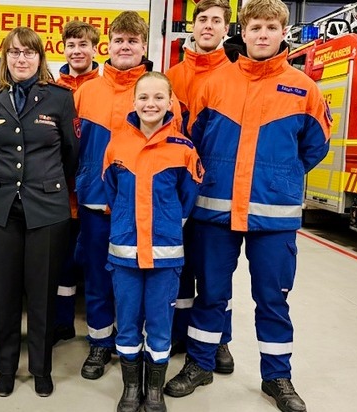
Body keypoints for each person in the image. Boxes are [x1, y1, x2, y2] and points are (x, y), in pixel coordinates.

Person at [163, 1, 332, 411]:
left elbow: (315, 147)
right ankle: (201, 364)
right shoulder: (214, 83)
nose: (262, 35)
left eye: (271, 27)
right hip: (216, 211)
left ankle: (277, 377)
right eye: (255, 27)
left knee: (273, 299)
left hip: (273, 217)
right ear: (243, 31)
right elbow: (192, 140)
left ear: (283, 33)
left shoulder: (304, 89)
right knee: (211, 294)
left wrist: (279, 177)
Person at [74, 10, 180, 380]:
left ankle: (136, 345)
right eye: (118, 40)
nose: (125, 46)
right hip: (95, 203)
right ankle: (100, 343)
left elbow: (177, 153)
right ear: (108, 45)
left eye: (132, 41)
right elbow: (72, 147)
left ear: (143, 46)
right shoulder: (86, 92)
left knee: (143, 285)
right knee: (98, 280)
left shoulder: (160, 94)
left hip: (146, 211)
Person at [0, 27, 79, 397]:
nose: (22, 59)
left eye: (29, 52)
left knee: (42, 292)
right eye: (15, 52)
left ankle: (40, 367)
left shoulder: (60, 98)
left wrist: (46, 183)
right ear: (5, 57)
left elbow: (71, 153)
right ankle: (5, 367)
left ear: (40, 57)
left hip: (46, 209)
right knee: (3, 291)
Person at [103, 72, 202, 412]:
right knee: (128, 324)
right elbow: (111, 192)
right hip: (125, 255)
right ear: (133, 102)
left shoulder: (184, 149)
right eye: (144, 97)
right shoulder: (116, 146)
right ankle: (132, 389)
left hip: (165, 256)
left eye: (159, 97)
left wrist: (168, 225)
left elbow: (188, 197)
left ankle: (154, 391)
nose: (151, 104)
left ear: (170, 102)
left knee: (160, 326)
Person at [164, 0, 235, 373]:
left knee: (214, 273)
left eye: (216, 20)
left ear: (226, 29)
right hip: (175, 188)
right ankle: (180, 332)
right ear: (192, 26)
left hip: (216, 190)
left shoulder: (237, 77)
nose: (208, 25)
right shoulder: (170, 77)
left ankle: (219, 339)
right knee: (179, 267)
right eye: (202, 19)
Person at [52, 20, 101, 345]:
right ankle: (62, 323)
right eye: (71, 45)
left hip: (96, 192)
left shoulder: (105, 87)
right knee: (63, 265)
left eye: (83, 45)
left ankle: (101, 330)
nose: (77, 51)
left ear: (96, 49)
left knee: (98, 266)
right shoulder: (52, 88)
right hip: (61, 192)